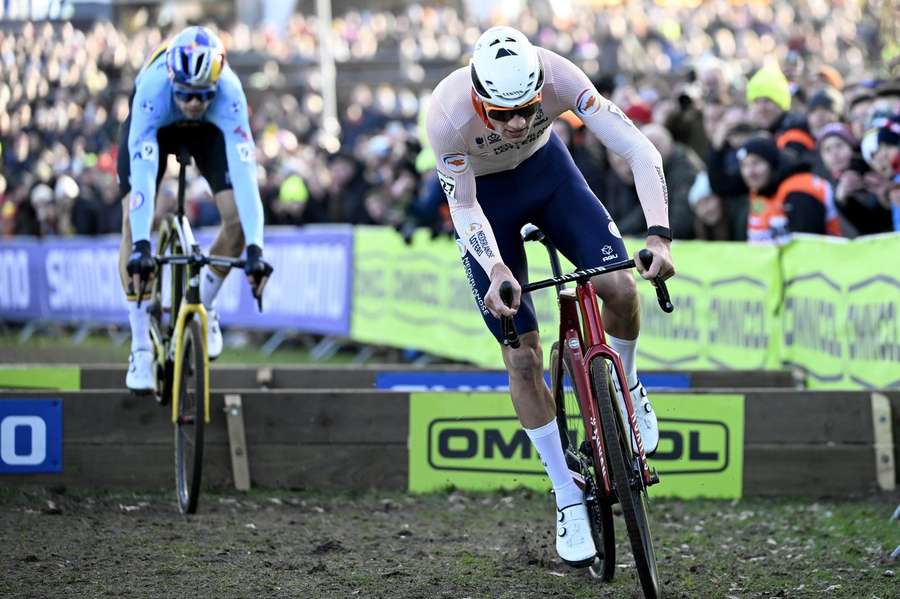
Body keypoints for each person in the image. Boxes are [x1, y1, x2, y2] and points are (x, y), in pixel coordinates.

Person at [425, 26, 673, 567]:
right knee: (522, 354)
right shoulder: (446, 116)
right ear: (477, 95)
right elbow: (465, 210)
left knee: (620, 285)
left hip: (549, 175)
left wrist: (658, 235)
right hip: (486, 203)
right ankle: (566, 494)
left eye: (528, 109)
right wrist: (494, 268)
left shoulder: (561, 73)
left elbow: (637, 146)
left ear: (541, 87)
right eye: (500, 113)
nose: (515, 123)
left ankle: (626, 385)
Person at [120, 26, 272, 393]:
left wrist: (255, 248)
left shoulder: (230, 93)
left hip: (209, 132)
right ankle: (140, 345)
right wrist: (142, 244)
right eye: (186, 95)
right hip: (156, 126)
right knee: (132, 222)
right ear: (173, 79)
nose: (193, 103)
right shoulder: (153, 91)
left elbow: (245, 174)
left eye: (203, 95)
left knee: (235, 221)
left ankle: (202, 305)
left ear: (216, 84)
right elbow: (141, 178)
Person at [737, 136, 840, 243]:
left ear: (772, 164)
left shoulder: (798, 191)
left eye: (756, 163)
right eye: (744, 165)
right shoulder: (761, 192)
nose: (750, 173)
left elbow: (809, 246)